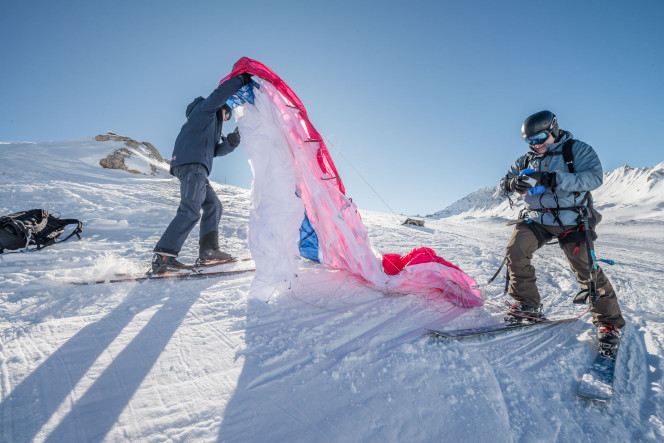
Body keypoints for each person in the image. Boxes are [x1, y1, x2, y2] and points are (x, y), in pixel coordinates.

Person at [498, 110, 625, 346]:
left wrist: (553, 179)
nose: (534, 145)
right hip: (538, 218)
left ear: (554, 130)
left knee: (586, 268)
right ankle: (528, 304)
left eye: (539, 138)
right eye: (529, 140)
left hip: (572, 219)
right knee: (515, 251)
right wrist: (513, 184)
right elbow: (501, 186)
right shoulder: (525, 160)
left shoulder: (576, 150)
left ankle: (609, 322)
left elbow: (594, 178)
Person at [151, 72, 253, 274]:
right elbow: (219, 94)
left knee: (213, 205)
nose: (228, 117)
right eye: (228, 113)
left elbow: (214, 151)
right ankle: (164, 256)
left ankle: (209, 250)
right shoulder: (205, 110)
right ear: (222, 109)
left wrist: (232, 141)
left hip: (196, 167)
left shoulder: (208, 126)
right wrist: (240, 79)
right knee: (190, 209)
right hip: (192, 166)